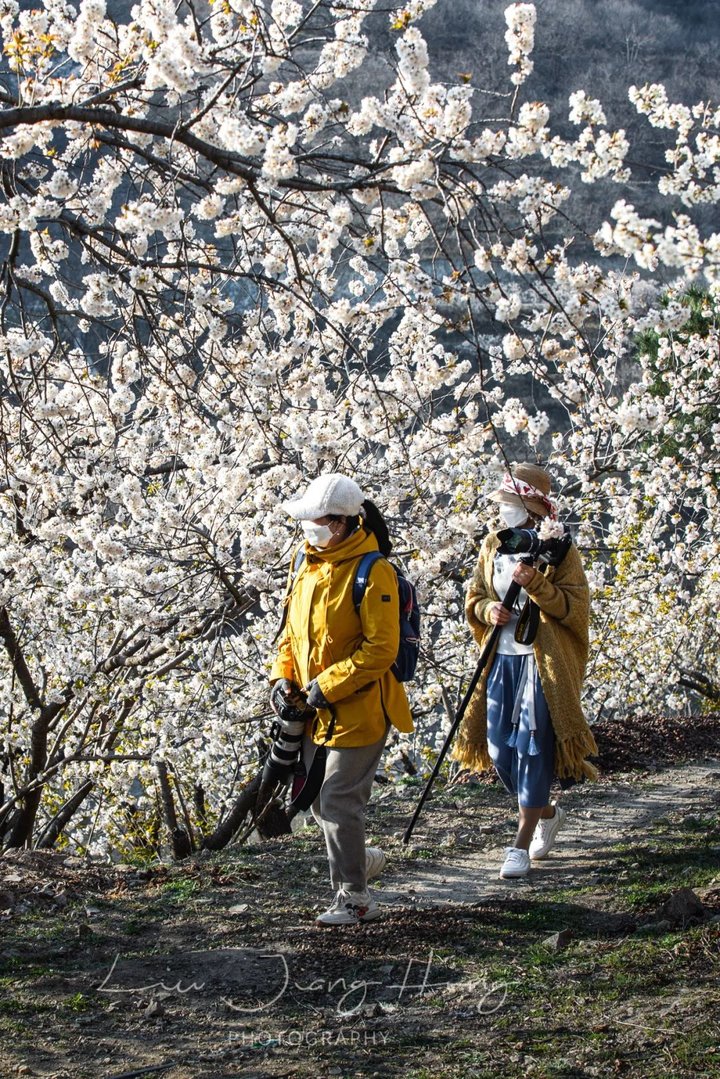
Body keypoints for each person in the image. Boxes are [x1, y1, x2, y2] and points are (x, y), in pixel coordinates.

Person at [270, 473, 413, 924]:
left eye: (315, 519)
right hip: (315, 711)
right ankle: (361, 862)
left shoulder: (375, 571)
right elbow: (290, 635)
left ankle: (355, 897)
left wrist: (327, 685)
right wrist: (283, 678)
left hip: (362, 708)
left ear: (341, 523)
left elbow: (380, 649)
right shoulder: (305, 564)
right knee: (317, 800)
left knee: (336, 800)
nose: (307, 526)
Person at [456, 463, 598, 879]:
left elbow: (574, 608)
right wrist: (487, 609)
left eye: (511, 505)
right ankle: (546, 813)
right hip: (500, 657)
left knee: (533, 746)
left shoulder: (559, 548)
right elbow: (475, 595)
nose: (504, 513)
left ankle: (519, 844)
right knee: (499, 748)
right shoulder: (492, 544)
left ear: (532, 507)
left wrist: (536, 584)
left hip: (542, 661)